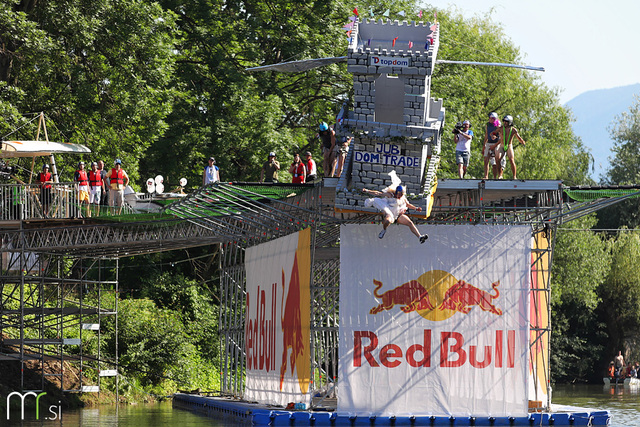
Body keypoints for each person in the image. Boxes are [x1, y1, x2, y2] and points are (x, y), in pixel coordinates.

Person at [362, 185, 428, 244]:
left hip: (398, 214)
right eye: (399, 194)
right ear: (396, 192)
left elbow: (408, 204)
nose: (400, 196)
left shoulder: (402, 198)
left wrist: (416, 208)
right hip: (389, 212)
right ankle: (384, 229)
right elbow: (378, 193)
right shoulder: (390, 195)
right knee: (387, 221)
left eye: (401, 194)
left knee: (410, 223)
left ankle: (419, 237)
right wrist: (367, 191)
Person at [492, 115, 527, 179]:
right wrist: (493, 136)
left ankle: (514, 176)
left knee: (511, 159)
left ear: (510, 122)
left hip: (509, 145)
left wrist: (522, 142)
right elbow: (493, 133)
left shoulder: (513, 130)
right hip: (502, 145)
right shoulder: (501, 128)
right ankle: (500, 175)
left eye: (506, 121)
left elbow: (518, 137)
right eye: (504, 121)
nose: (505, 123)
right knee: (497, 158)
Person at [483, 112, 502, 179]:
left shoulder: (498, 125)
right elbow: (486, 134)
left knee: (497, 158)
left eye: (492, 118)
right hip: (489, 142)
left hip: (496, 143)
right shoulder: (488, 125)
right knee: (486, 159)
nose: (491, 119)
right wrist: (484, 145)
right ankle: (486, 176)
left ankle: (499, 175)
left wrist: (496, 137)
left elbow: (501, 136)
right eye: (490, 118)